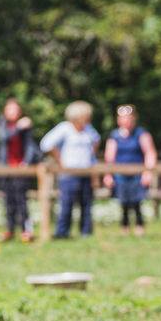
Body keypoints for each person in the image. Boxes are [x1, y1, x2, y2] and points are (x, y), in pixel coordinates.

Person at [40, 101, 101, 238]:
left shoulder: (89, 129)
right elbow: (46, 144)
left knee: (86, 204)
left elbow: (96, 141)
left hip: (86, 171)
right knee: (66, 204)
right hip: (69, 174)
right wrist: (59, 160)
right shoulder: (65, 128)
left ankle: (86, 232)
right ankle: (62, 233)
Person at [104, 104, 157, 236]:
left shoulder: (141, 134)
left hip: (137, 174)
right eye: (122, 118)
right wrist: (108, 174)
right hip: (120, 174)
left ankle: (140, 227)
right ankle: (124, 228)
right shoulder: (115, 136)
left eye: (128, 118)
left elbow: (150, 153)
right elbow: (109, 156)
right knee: (123, 202)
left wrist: (148, 172)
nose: (125, 121)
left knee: (137, 201)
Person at [0, 98, 41, 242]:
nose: (12, 112)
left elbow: (30, 146)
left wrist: (26, 162)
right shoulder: (4, 124)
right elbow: (4, 138)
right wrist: (18, 128)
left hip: (21, 168)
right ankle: (9, 230)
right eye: (10, 109)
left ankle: (25, 230)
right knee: (8, 201)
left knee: (21, 201)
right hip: (6, 168)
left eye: (15, 110)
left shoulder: (26, 126)